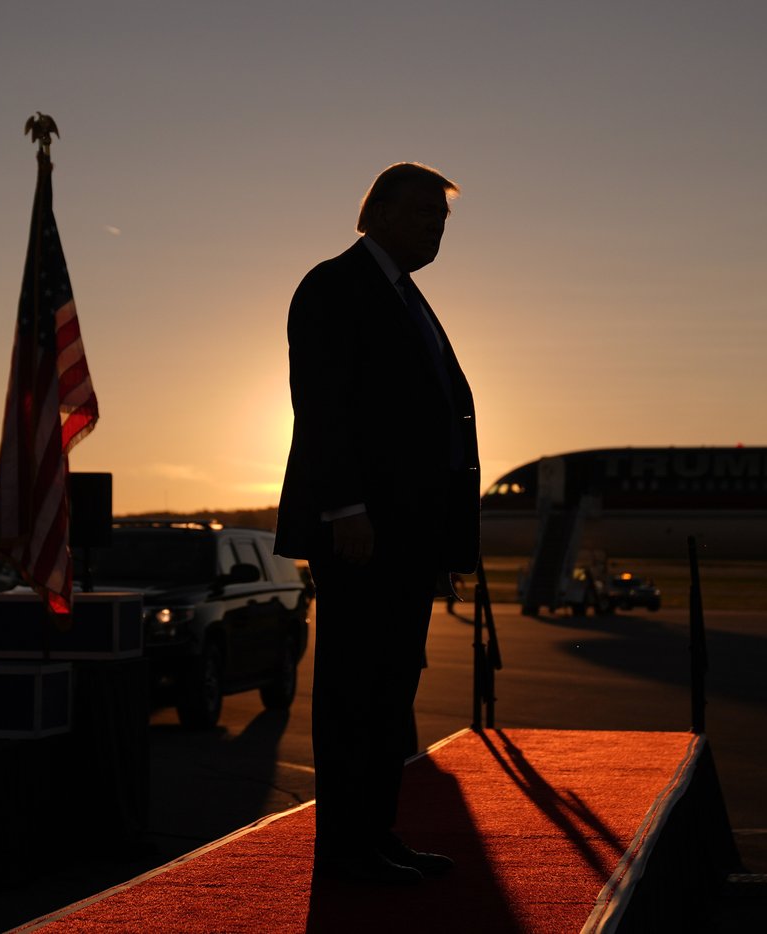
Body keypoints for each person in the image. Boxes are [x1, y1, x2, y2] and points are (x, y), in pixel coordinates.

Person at [275, 162, 479, 884]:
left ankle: (375, 835)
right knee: (355, 690)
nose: (437, 226)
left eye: (444, 217)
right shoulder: (336, 285)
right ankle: (347, 849)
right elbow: (324, 404)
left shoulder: (406, 297)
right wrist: (344, 508)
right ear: (380, 211)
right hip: (362, 530)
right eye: (425, 211)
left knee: (390, 690)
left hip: (408, 533)